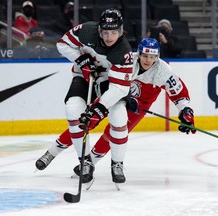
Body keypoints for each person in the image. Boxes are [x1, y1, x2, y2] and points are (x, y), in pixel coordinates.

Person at [35, 38, 195, 183]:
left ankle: (90, 163)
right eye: (145, 56)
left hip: (138, 107)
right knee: (86, 121)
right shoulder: (126, 60)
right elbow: (106, 76)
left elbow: (178, 93)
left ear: (157, 57)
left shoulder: (163, 71)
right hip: (115, 95)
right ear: (138, 54)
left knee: (114, 132)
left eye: (152, 57)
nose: (148, 60)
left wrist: (186, 111)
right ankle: (51, 153)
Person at [35, 8, 133, 185]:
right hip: (83, 76)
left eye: (114, 32)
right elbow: (62, 44)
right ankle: (85, 161)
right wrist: (81, 60)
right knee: (73, 110)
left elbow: (120, 87)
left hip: (109, 82)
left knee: (119, 117)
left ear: (120, 30)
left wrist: (99, 107)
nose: (109, 37)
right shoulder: (86, 31)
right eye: (105, 32)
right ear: (99, 29)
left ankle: (117, 163)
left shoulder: (123, 51)